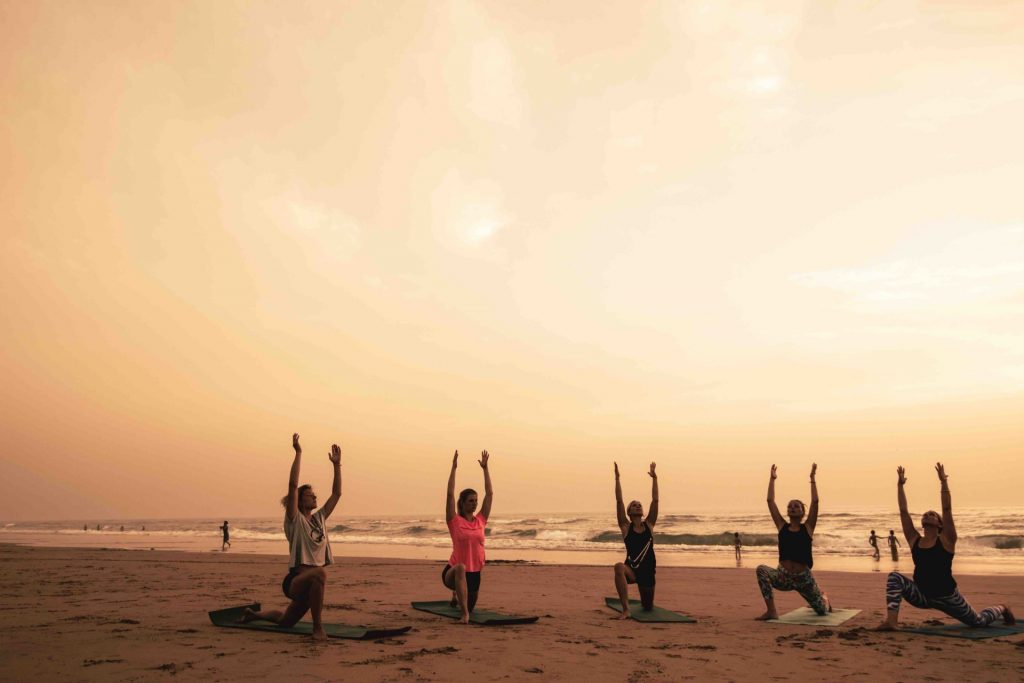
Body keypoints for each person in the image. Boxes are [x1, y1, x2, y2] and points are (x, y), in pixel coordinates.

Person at [875, 464, 1014, 631]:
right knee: (894, 578)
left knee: (978, 621)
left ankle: (1002, 607)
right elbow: (903, 511)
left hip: (948, 597)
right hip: (922, 595)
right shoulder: (914, 540)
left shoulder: (947, 540)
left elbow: (947, 509)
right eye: (925, 514)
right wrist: (900, 486)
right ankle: (891, 622)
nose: (927, 515)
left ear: (940, 524)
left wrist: (943, 482)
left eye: (932, 514)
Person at [239, 433, 342, 640]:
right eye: (310, 494)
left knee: (286, 621)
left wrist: (336, 466)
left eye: (314, 495)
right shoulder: (294, 519)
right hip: (295, 581)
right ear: (300, 500)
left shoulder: (319, 518)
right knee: (320, 574)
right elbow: (293, 486)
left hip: (312, 585)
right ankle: (317, 630)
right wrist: (298, 452)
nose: (315, 497)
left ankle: (253, 615)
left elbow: (337, 494)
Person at [755, 464, 831, 620]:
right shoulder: (782, 526)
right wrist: (772, 479)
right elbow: (770, 501)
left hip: (804, 579)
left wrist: (812, 479)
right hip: (783, 577)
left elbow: (815, 502)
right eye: (790, 506)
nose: (792, 508)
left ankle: (824, 597)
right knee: (761, 570)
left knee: (822, 611)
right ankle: (772, 611)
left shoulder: (808, 527)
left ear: (803, 512)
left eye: (796, 506)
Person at [443, 449, 493, 624]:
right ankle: (463, 614)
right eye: (471, 501)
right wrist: (454, 468)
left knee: (471, 604)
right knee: (460, 568)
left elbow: (490, 494)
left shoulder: (480, 520)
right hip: (453, 572)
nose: (474, 503)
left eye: (476, 501)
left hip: (475, 573)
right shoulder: (454, 521)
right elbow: (449, 494)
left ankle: (458, 598)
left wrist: (485, 469)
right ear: (463, 503)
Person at [613, 462, 659, 619]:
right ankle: (626, 609)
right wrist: (617, 479)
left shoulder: (649, 525)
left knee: (648, 607)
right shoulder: (626, 527)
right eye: (634, 505)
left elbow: (655, 501)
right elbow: (619, 502)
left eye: (639, 505)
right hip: (632, 570)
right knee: (618, 567)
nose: (638, 506)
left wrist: (655, 478)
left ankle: (645, 600)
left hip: (647, 573)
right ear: (629, 511)